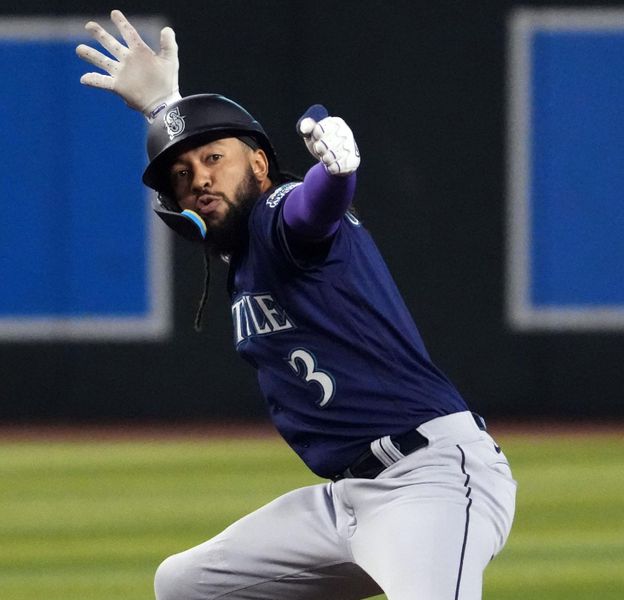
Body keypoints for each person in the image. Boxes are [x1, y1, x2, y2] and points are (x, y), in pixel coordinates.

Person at [76, 10, 516, 600]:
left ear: (259, 163)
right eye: (182, 175)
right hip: (344, 503)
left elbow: (310, 210)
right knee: (186, 584)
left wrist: (338, 174)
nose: (199, 179)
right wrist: (166, 108)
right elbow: (213, 169)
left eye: (214, 160)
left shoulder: (275, 214)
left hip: (430, 480)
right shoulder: (239, 250)